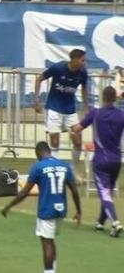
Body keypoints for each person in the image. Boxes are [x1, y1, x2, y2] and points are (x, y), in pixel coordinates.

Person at [1, 141, 82, 273]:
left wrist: (9, 206)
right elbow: (74, 190)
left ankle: (49, 271)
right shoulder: (64, 165)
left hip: (46, 209)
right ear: (49, 151)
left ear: (37, 153)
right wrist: (79, 211)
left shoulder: (38, 167)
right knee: (51, 240)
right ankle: (52, 270)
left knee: (46, 243)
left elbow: (24, 192)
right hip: (61, 210)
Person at [71, 86, 124, 237]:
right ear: (115, 98)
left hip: (100, 160)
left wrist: (70, 129)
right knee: (107, 193)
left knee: (104, 193)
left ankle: (115, 222)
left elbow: (77, 128)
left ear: (102, 97)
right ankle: (100, 222)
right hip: (116, 160)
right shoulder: (121, 115)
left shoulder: (96, 113)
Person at [34, 48, 88, 181]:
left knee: (77, 141)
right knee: (55, 141)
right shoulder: (58, 68)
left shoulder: (82, 72)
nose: (84, 63)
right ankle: (56, 172)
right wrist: (36, 100)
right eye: (83, 60)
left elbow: (85, 88)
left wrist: (86, 107)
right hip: (54, 109)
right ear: (74, 59)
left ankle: (73, 169)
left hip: (70, 111)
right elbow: (39, 79)